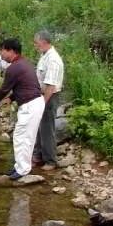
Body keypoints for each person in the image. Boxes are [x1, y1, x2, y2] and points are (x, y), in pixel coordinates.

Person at [0, 38, 44, 181]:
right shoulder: (23, 64)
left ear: (10, 51)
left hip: (31, 106)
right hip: (32, 104)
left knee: (23, 137)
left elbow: (3, 89)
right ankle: (19, 167)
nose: (1, 53)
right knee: (21, 136)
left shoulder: (14, 68)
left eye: (2, 50)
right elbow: (24, 86)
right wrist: (12, 98)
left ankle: (22, 170)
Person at [32, 30, 64, 171]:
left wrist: (43, 102)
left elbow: (51, 86)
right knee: (39, 127)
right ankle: (38, 155)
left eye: (36, 42)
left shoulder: (53, 59)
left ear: (44, 42)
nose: (35, 45)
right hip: (42, 95)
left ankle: (51, 161)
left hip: (49, 97)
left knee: (47, 129)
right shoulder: (44, 55)